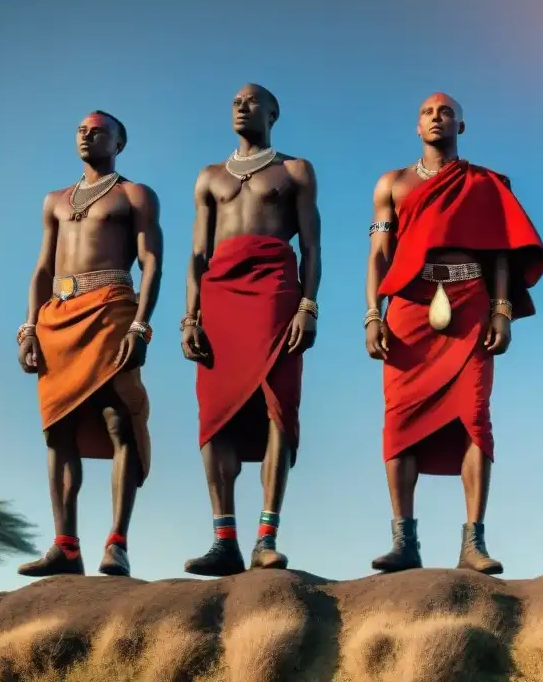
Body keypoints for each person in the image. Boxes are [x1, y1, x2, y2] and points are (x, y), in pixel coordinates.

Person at [364, 92, 543, 574]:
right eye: (426, 111)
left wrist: (502, 310)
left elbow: (502, 253)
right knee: (399, 420)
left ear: (460, 127)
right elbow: (380, 253)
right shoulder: (393, 184)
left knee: (473, 416)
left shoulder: (486, 183)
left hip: (469, 305)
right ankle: (404, 540)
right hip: (409, 307)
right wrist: (372, 314)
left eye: (446, 112)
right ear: (416, 126)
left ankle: (473, 543)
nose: (436, 117)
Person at [181, 83, 321, 576]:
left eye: (252, 101)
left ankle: (266, 537)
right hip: (219, 294)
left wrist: (308, 305)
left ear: (273, 113)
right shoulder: (209, 176)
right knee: (214, 412)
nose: (242, 106)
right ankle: (224, 540)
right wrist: (190, 317)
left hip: (274, 290)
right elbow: (197, 254)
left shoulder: (295, 170)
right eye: (235, 101)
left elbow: (311, 246)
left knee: (276, 404)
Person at [16, 111, 162, 578]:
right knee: (57, 432)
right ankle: (66, 546)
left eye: (98, 130)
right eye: (81, 129)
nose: (87, 134)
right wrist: (29, 328)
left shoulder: (134, 194)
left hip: (111, 310)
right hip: (57, 318)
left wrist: (140, 327)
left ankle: (116, 544)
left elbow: (151, 261)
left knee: (119, 419)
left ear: (119, 141)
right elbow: (42, 268)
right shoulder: (55, 200)